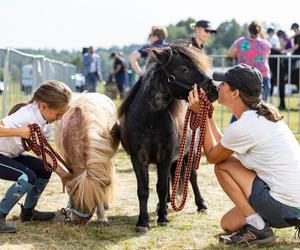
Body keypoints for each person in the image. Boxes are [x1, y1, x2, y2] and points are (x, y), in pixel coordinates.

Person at [188, 63, 300, 246]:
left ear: (235, 93)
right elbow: (225, 142)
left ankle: (258, 229)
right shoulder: (259, 116)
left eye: (223, 83)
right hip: (294, 203)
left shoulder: (244, 126)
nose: (218, 86)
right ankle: (259, 223)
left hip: (284, 205)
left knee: (223, 165)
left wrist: (201, 114)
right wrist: (207, 114)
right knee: (228, 224)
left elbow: (214, 156)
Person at [0, 80, 72, 233]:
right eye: (58, 114)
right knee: (27, 177)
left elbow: (42, 153)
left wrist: (64, 174)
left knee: (44, 169)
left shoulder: (44, 121)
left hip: (9, 155)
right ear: (44, 106)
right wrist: (19, 132)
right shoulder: (27, 115)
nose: (59, 118)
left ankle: (28, 213)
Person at [227, 21, 271, 102]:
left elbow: (229, 54)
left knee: (243, 104)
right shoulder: (265, 43)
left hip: (245, 76)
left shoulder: (241, 42)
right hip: (263, 75)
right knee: (263, 105)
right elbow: (269, 51)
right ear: (259, 31)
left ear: (249, 30)